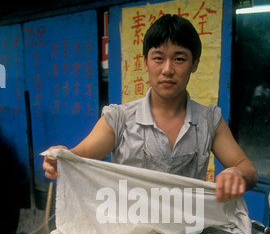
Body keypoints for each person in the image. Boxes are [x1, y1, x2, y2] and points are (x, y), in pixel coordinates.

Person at [43, 14, 257, 203]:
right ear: (145, 62)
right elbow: (80, 155)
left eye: (179, 59)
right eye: (158, 58)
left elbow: (247, 168)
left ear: (195, 64)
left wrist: (237, 173)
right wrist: (62, 158)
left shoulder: (209, 121)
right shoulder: (119, 119)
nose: (167, 69)